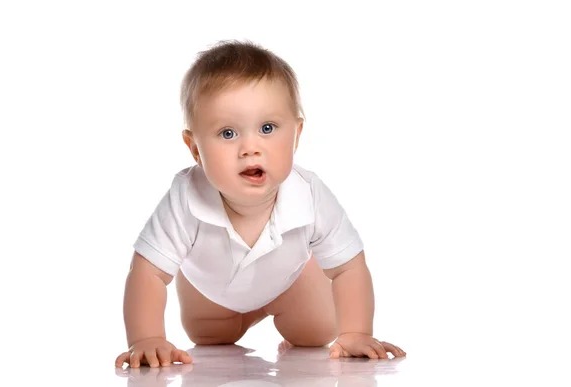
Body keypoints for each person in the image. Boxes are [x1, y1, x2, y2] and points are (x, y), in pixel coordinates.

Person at [115, 40, 406, 369]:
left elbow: (348, 266)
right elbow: (147, 272)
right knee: (207, 336)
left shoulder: (308, 194)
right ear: (194, 148)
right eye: (227, 133)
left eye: (267, 128)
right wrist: (146, 338)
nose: (250, 148)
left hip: (290, 281)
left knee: (317, 331)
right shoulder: (185, 197)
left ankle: (287, 296)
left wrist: (356, 331)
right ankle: (243, 312)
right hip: (212, 290)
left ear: (296, 135)